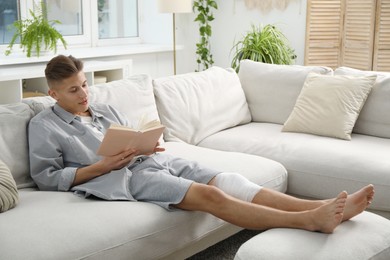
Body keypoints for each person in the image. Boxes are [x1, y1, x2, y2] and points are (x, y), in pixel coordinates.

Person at [29, 55, 375, 234]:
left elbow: (127, 139)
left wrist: (144, 145)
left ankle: (325, 207)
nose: (85, 94)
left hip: (148, 163)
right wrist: (102, 166)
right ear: (53, 93)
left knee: (232, 180)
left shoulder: (104, 109)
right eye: (74, 90)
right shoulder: (44, 125)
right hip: (120, 179)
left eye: (86, 85)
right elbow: (46, 176)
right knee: (212, 196)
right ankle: (310, 221)